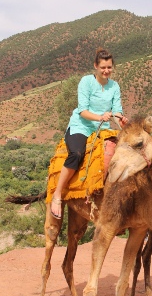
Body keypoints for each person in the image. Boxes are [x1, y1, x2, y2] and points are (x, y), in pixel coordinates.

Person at [51, 48, 128, 219]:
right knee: (77, 154)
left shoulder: (114, 86)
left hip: (104, 129)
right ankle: (57, 194)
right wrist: (100, 117)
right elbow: (83, 111)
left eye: (109, 67)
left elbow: (116, 111)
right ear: (95, 66)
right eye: (103, 67)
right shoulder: (86, 82)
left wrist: (120, 119)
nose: (106, 71)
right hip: (81, 126)